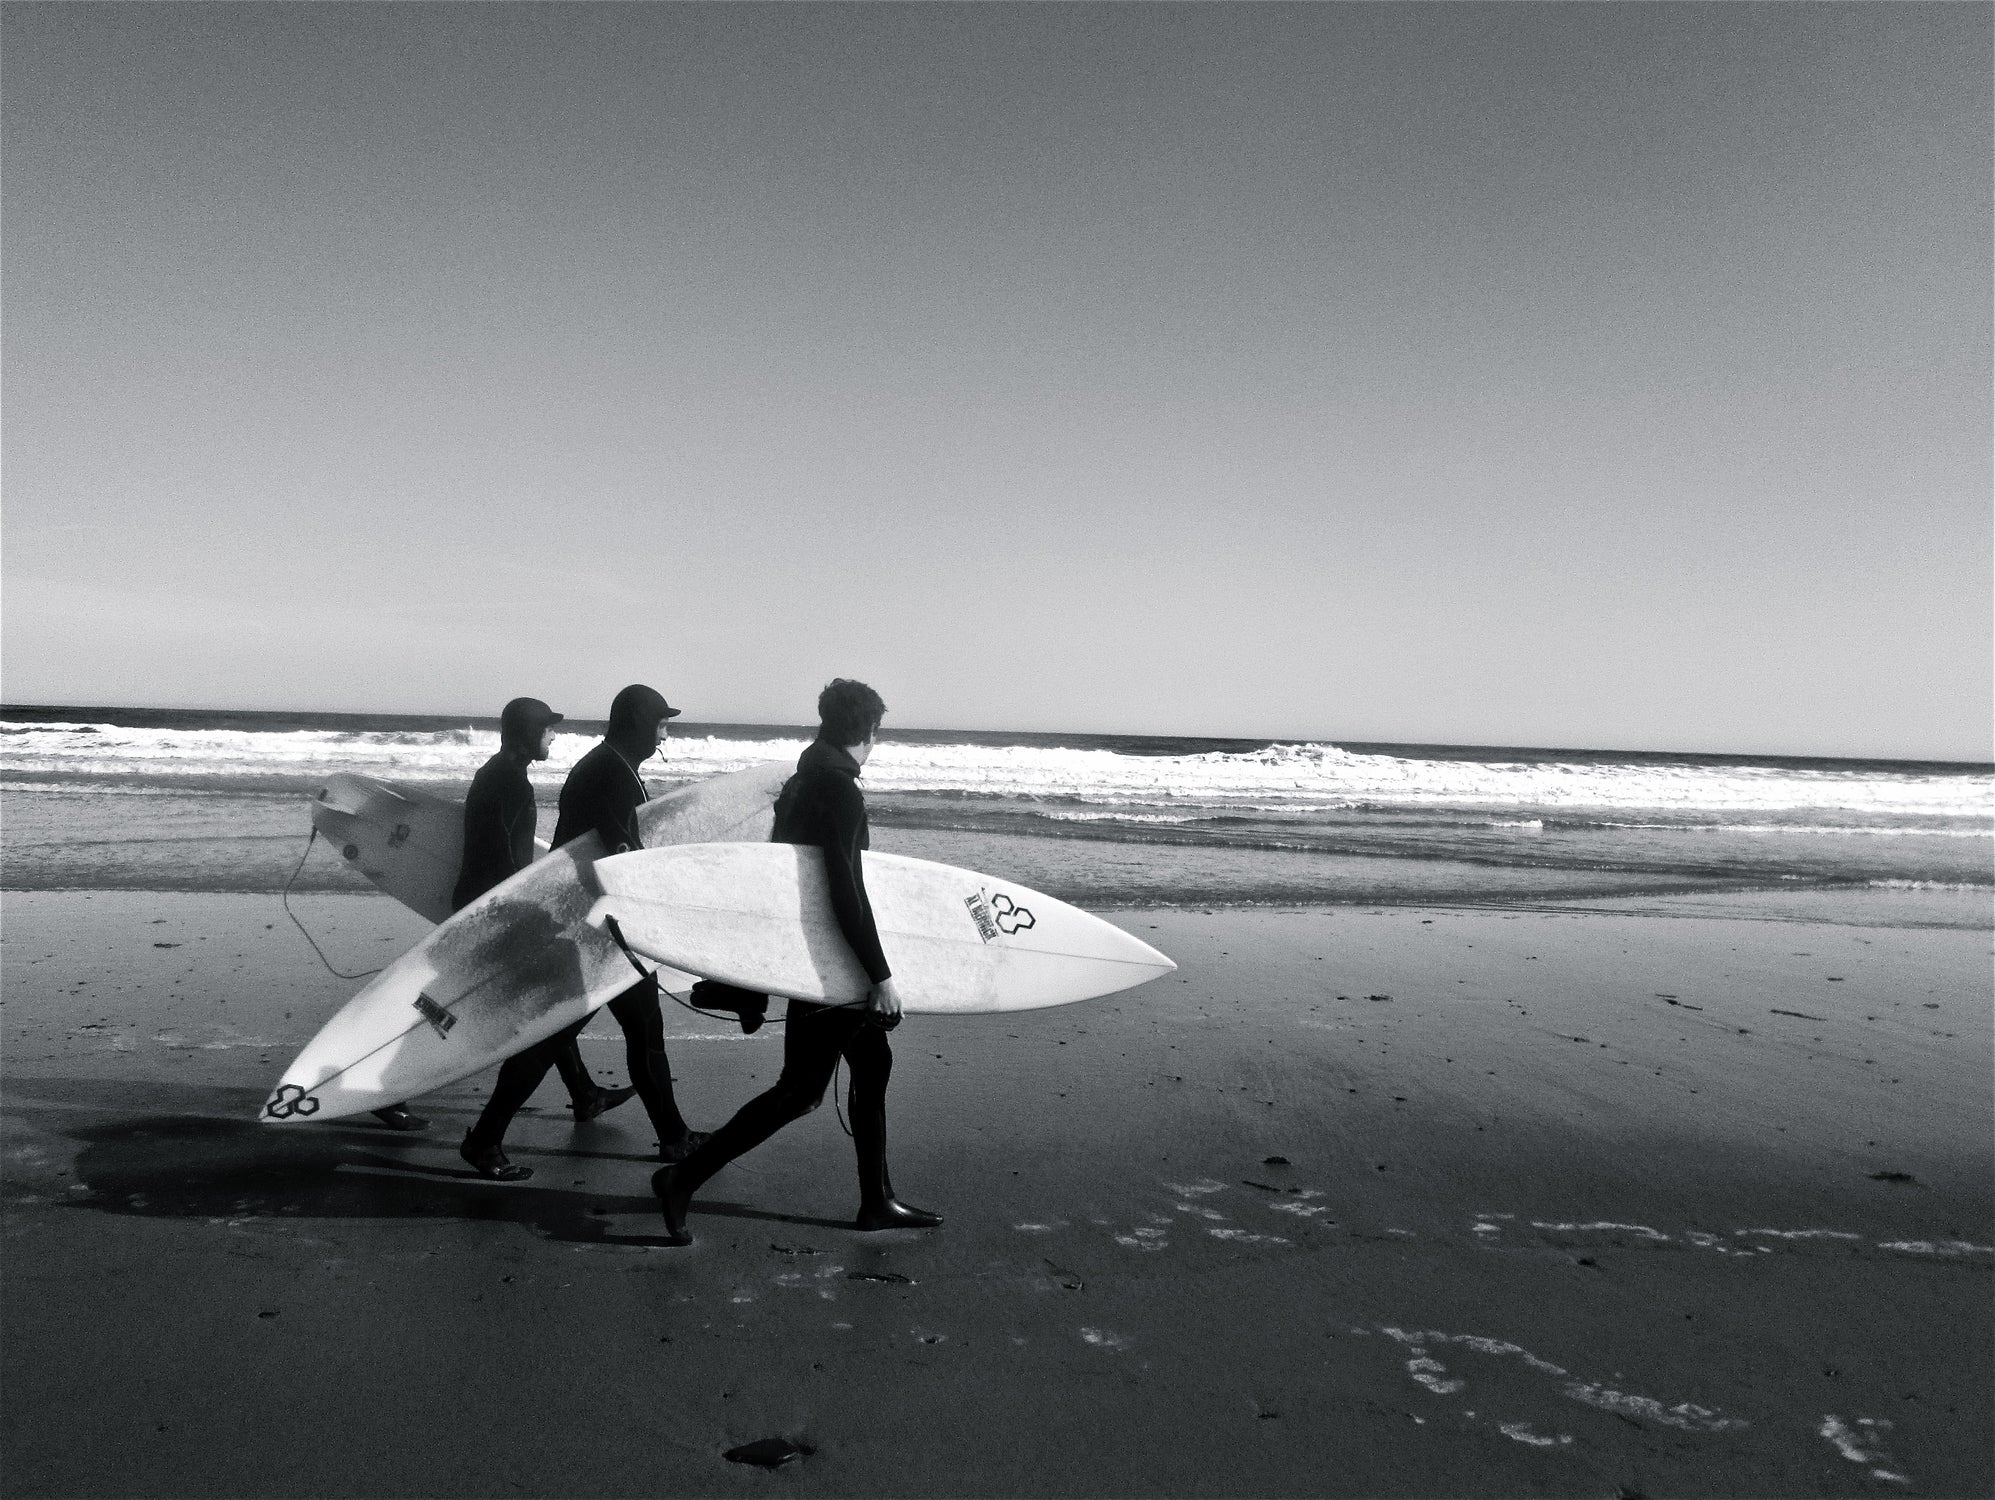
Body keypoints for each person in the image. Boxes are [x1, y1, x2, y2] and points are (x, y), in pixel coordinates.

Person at [651, 678, 941, 1245]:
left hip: (811, 951)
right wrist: (880, 975)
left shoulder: (802, 782)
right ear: (870, 731)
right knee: (801, 1090)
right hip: (829, 963)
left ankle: (876, 1200)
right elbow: (845, 890)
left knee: (872, 1064)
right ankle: (684, 1179)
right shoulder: (840, 790)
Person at [458, 685, 707, 1180]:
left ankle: (673, 1136)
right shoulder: (610, 774)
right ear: (639, 724)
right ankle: (485, 1139)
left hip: (600, 923)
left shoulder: (609, 767)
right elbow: (622, 861)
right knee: (555, 1038)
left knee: (643, 1030)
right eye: (661, 725)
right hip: (595, 929)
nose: (664, 736)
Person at [372, 696, 636, 1134]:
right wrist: (532, 911)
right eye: (548, 729)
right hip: (493, 911)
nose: (554, 736)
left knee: (543, 1007)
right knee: (455, 1006)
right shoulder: (512, 785)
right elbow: (509, 862)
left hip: (481, 903)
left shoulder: (495, 774)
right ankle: (383, 1090)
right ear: (528, 733)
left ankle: (584, 1093)